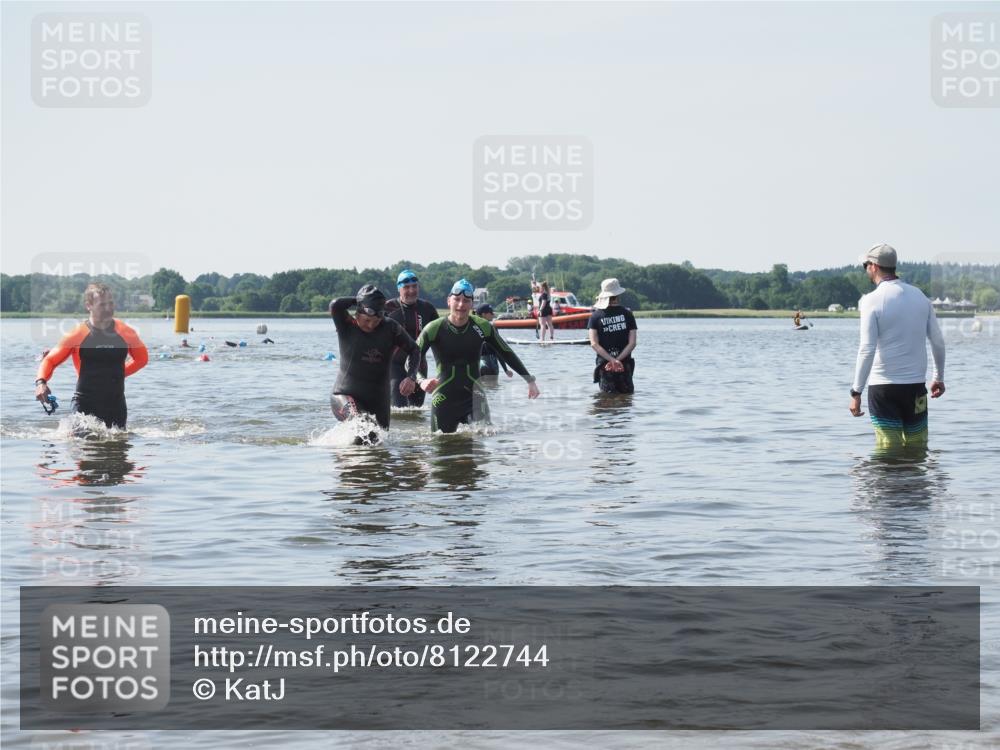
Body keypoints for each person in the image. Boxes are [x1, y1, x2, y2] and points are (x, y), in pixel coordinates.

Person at [849, 244, 946, 449]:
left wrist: (856, 392)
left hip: (883, 389)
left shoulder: (871, 301)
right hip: (915, 388)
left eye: (865, 265)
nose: (865, 269)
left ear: (874, 266)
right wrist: (938, 377)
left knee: (887, 450)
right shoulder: (920, 297)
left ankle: (889, 482)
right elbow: (937, 341)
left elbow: (867, 348)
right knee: (917, 447)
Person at [417, 279, 539, 433]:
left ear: (472, 304)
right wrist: (421, 381)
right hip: (443, 400)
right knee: (443, 450)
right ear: (449, 301)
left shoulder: (483, 327)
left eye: (466, 301)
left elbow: (506, 352)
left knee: (482, 449)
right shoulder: (433, 328)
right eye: (457, 300)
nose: (461, 305)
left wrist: (529, 380)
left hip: (475, 398)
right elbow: (412, 358)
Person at [34, 283, 148, 428]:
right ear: (89, 305)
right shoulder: (76, 334)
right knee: (81, 446)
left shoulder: (126, 332)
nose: (108, 308)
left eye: (111, 303)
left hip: (116, 406)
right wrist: (41, 383)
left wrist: (119, 373)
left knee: (117, 447)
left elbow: (142, 359)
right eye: (102, 305)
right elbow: (50, 360)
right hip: (84, 405)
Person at [329, 285, 420, 441]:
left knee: (378, 442)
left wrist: (411, 377)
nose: (371, 325)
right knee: (361, 427)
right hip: (344, 395)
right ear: (358, 312)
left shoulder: (390, 328)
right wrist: (359, 300)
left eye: (376, 321)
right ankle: (346, 462)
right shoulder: (346, 325)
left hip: (379, 399)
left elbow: (414, 350)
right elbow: (335, 304)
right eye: (367, 320)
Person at [384, 269, 440, 408]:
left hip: (419, 366)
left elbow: (439, 340)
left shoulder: (428, 309)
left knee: (416, 410)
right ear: (399, 289)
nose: (411, 290)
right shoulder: (388, 308)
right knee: (399, 409)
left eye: (414, 286)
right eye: (406, 287)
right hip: (394, 366)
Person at [587, 278, 638, 394]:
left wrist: (611, 360)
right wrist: (618, 360)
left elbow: (594, 343)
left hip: (605, 366)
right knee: (626, 400)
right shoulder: (628, 314)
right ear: (618, 295)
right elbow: (632, 343)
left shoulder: (595, 316)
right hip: (624, 364)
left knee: (606, 401)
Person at [474, 303, 513, 378]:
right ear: (483, 314)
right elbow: (498, 350)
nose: (493, 315)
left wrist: (505, 369)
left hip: (481, 365)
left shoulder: (472, 327)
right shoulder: (492, 328)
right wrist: (505, 370)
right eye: (490, 313)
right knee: (493, 386)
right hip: (491, 365)